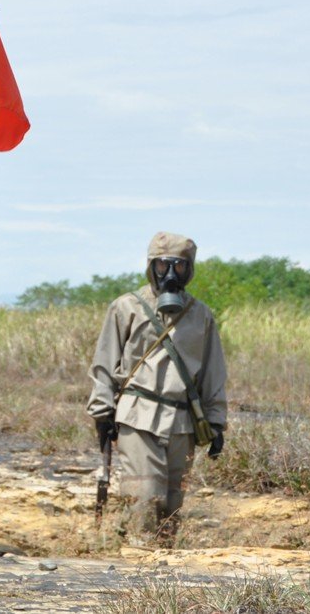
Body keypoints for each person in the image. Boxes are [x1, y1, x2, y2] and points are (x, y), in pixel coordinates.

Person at [87, 231, 228, 546]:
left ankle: (161, 564)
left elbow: (213, 372)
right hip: (138, 415)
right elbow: (105, 362)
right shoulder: (126, 307)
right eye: (163, 266)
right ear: (151, 266)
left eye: (178, 266)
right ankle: (139, 556)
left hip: (182, 421)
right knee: (145, 495)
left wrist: (216, 423)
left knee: (171, 502)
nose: (170, 274)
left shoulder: (201, 315)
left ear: (189, 269)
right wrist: (102, 411)